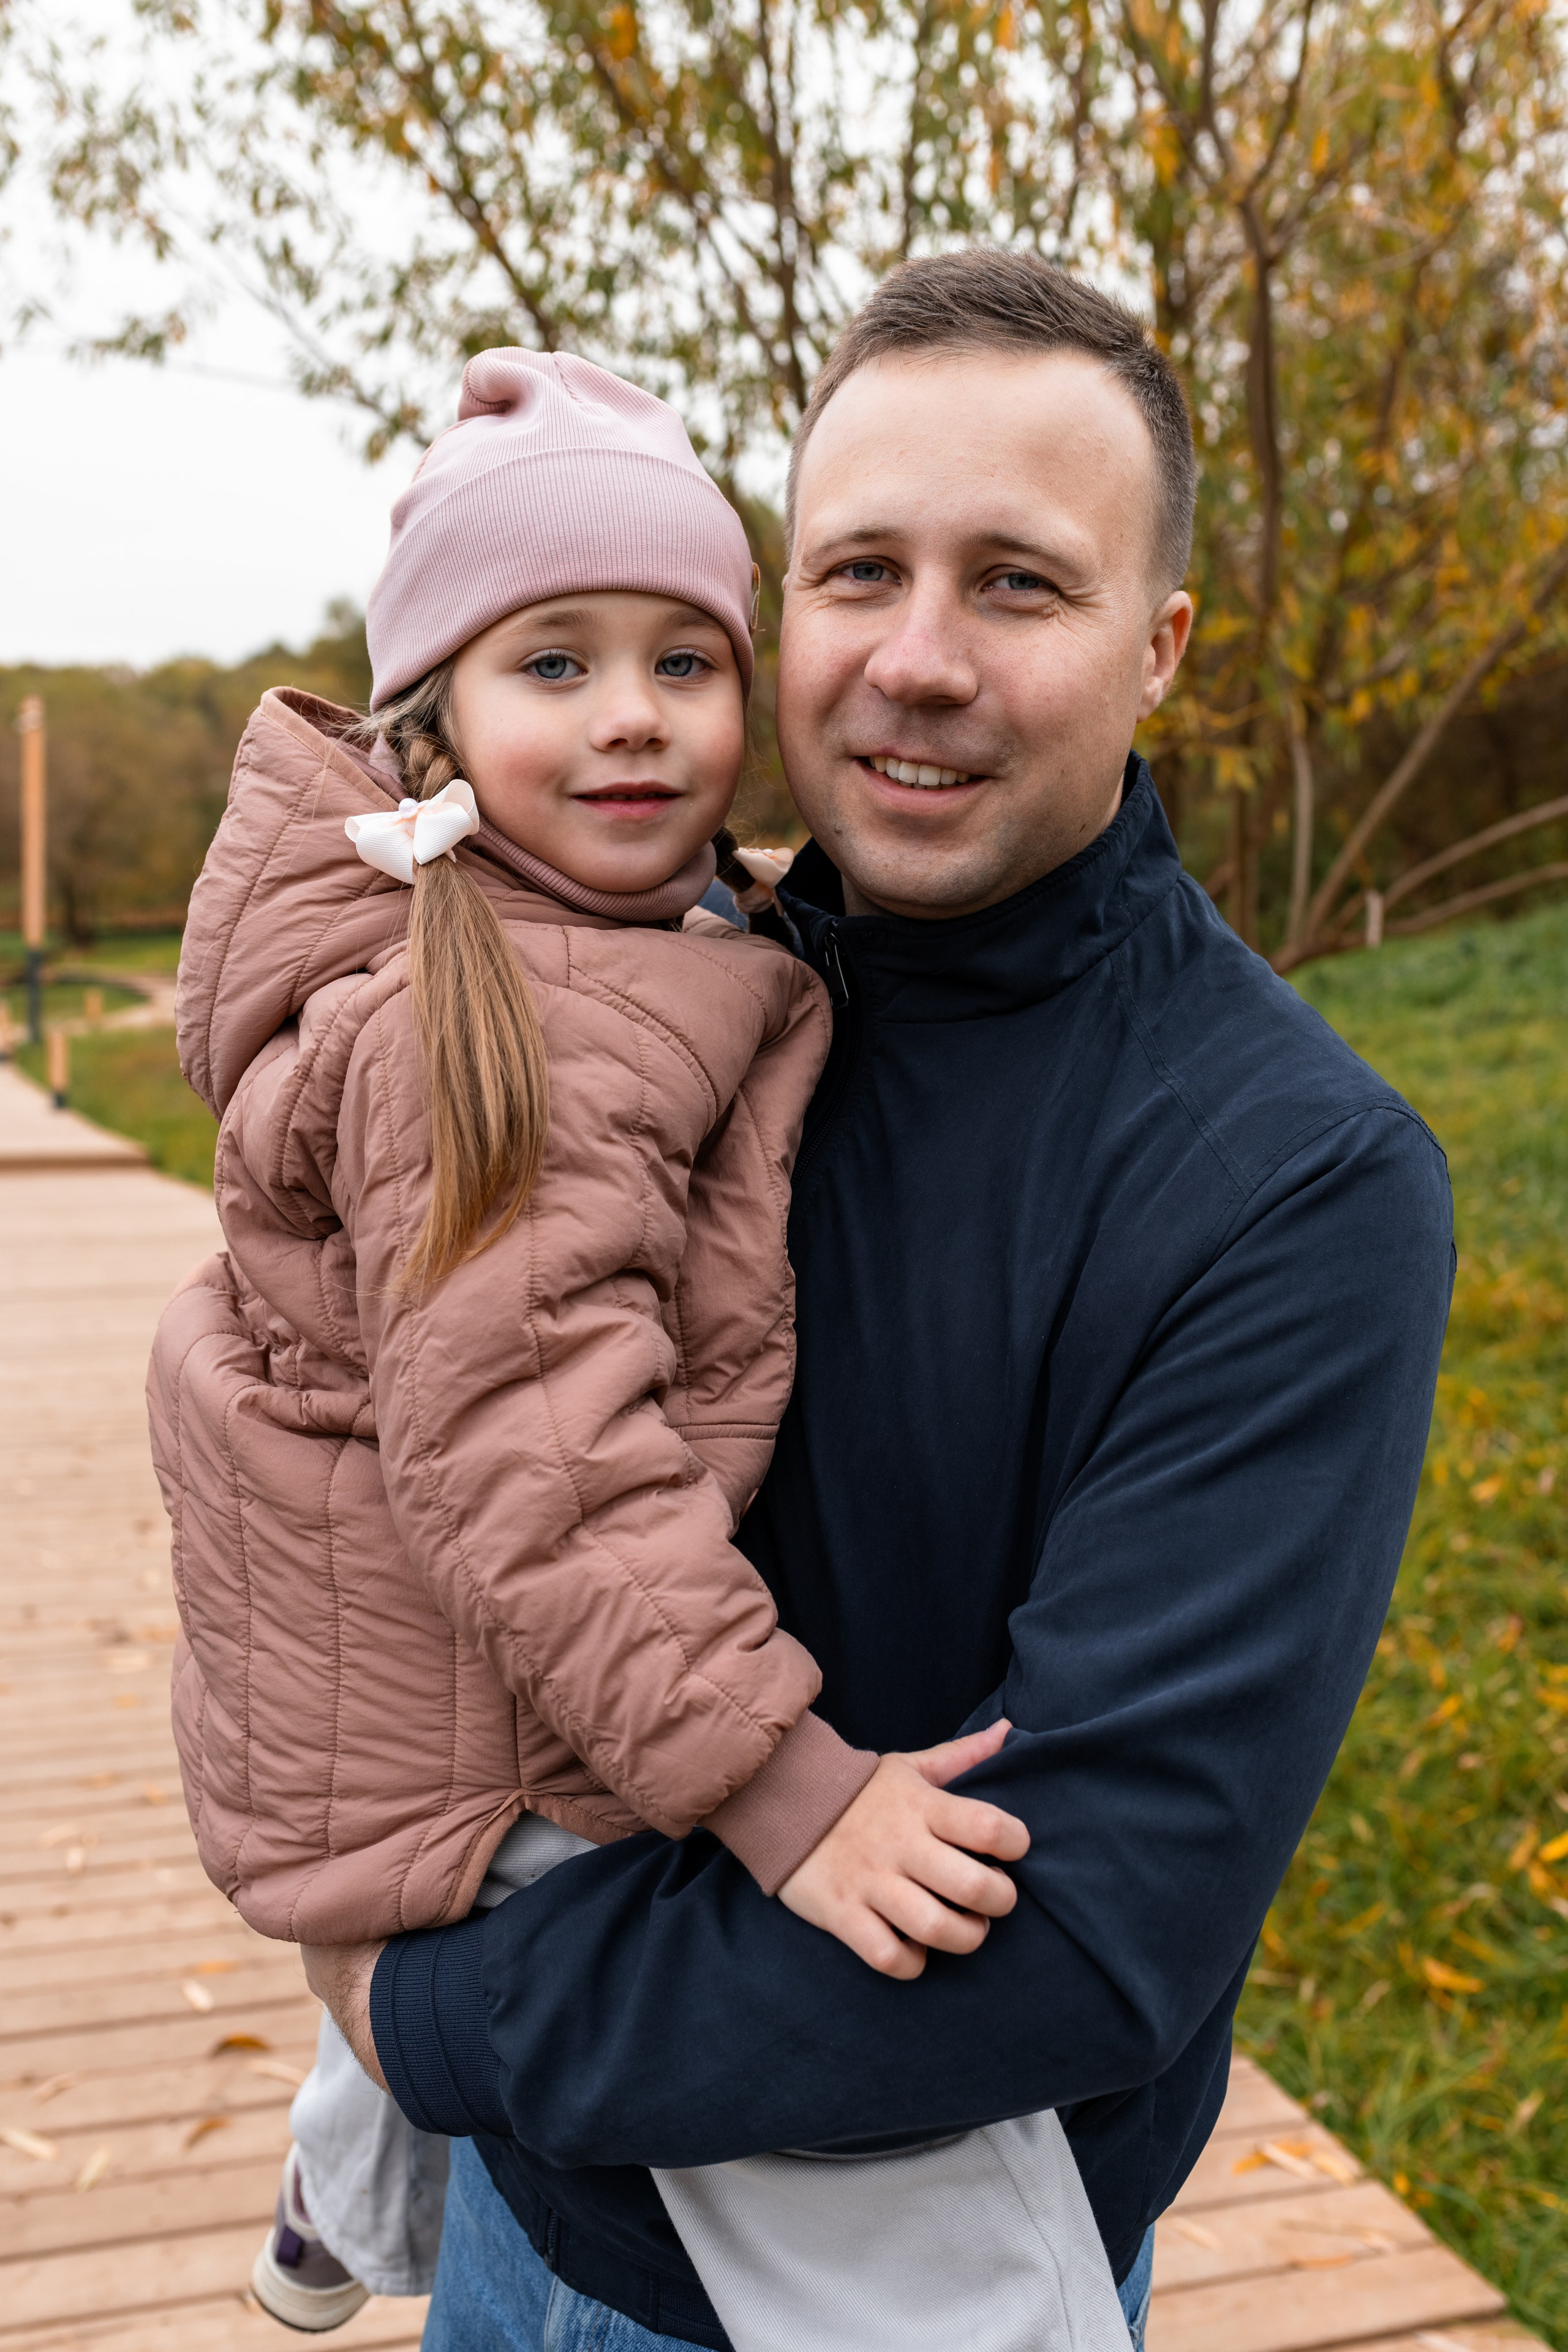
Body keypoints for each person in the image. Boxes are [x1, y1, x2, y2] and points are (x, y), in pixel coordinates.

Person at [306, 251, 1456, 2351]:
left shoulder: (1292, 1178)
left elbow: (1090, 1923)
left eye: (1017, 584)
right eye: (857, 575)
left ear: (1161, 642)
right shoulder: (618, 1016)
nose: (915, 661)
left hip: (906, 2260)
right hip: (528, 2218)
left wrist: (436, 2006)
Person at [147, 344, 1129, 2345]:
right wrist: (787, 1789)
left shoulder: (591, 941)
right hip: (474, 1708)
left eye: (684, 664)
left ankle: (338, 2200)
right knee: (928, 2232)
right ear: (433, 723)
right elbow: (542, 1449)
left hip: (370, 1691)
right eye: (554, 665)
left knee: (411, 1909)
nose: (630, 724)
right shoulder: (495, 1028)